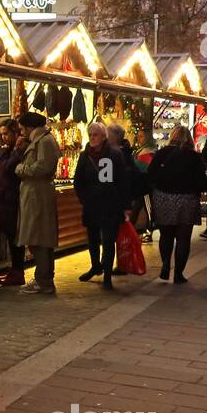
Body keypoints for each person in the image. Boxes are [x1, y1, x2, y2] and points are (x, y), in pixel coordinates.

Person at [147, 125, 206, 283]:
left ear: (172, 136)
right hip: (187, 199)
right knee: (183, 238)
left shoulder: (162, 154)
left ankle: (166, 263)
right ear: (189, 139)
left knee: (166, 235)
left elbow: (150, 174)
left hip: (163, 197)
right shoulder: (194, 157)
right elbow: (202, 180)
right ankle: (179, 273)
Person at [74, 121, 129, 291]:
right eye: (90, 135)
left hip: (110, 204)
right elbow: (78, 180)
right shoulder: (85, 155)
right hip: (92, 204)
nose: (92, 138)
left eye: (95, 135)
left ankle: (106, 273)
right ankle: (95, 265)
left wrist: (124, 204)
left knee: (108, 240)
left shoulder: (114, 154)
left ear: (104, 137)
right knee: (92, 238)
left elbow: (123, 180)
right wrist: (84, 198)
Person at [15, 111, 60, 294]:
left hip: (37, 195)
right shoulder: (41, 140)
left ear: (29, 126)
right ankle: (44, 278)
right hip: (35, 194)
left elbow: (44, 166)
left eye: (21, 128)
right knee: (38, 237)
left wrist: (21, 169)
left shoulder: (45, 141)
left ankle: (43, 280)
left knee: (38, 237)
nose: (20, 132)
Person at [0, 119, 26, 285]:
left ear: (15, 133)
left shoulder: (18, 151)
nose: (3, 137)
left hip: (13, 198)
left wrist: (16, 151)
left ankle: (18, 272)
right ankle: (14, 270)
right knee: (10, 236)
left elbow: (8, 169)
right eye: (1, 134)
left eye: (6, 134)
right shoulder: (5, 150)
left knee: (15, 238)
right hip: (3, 198)